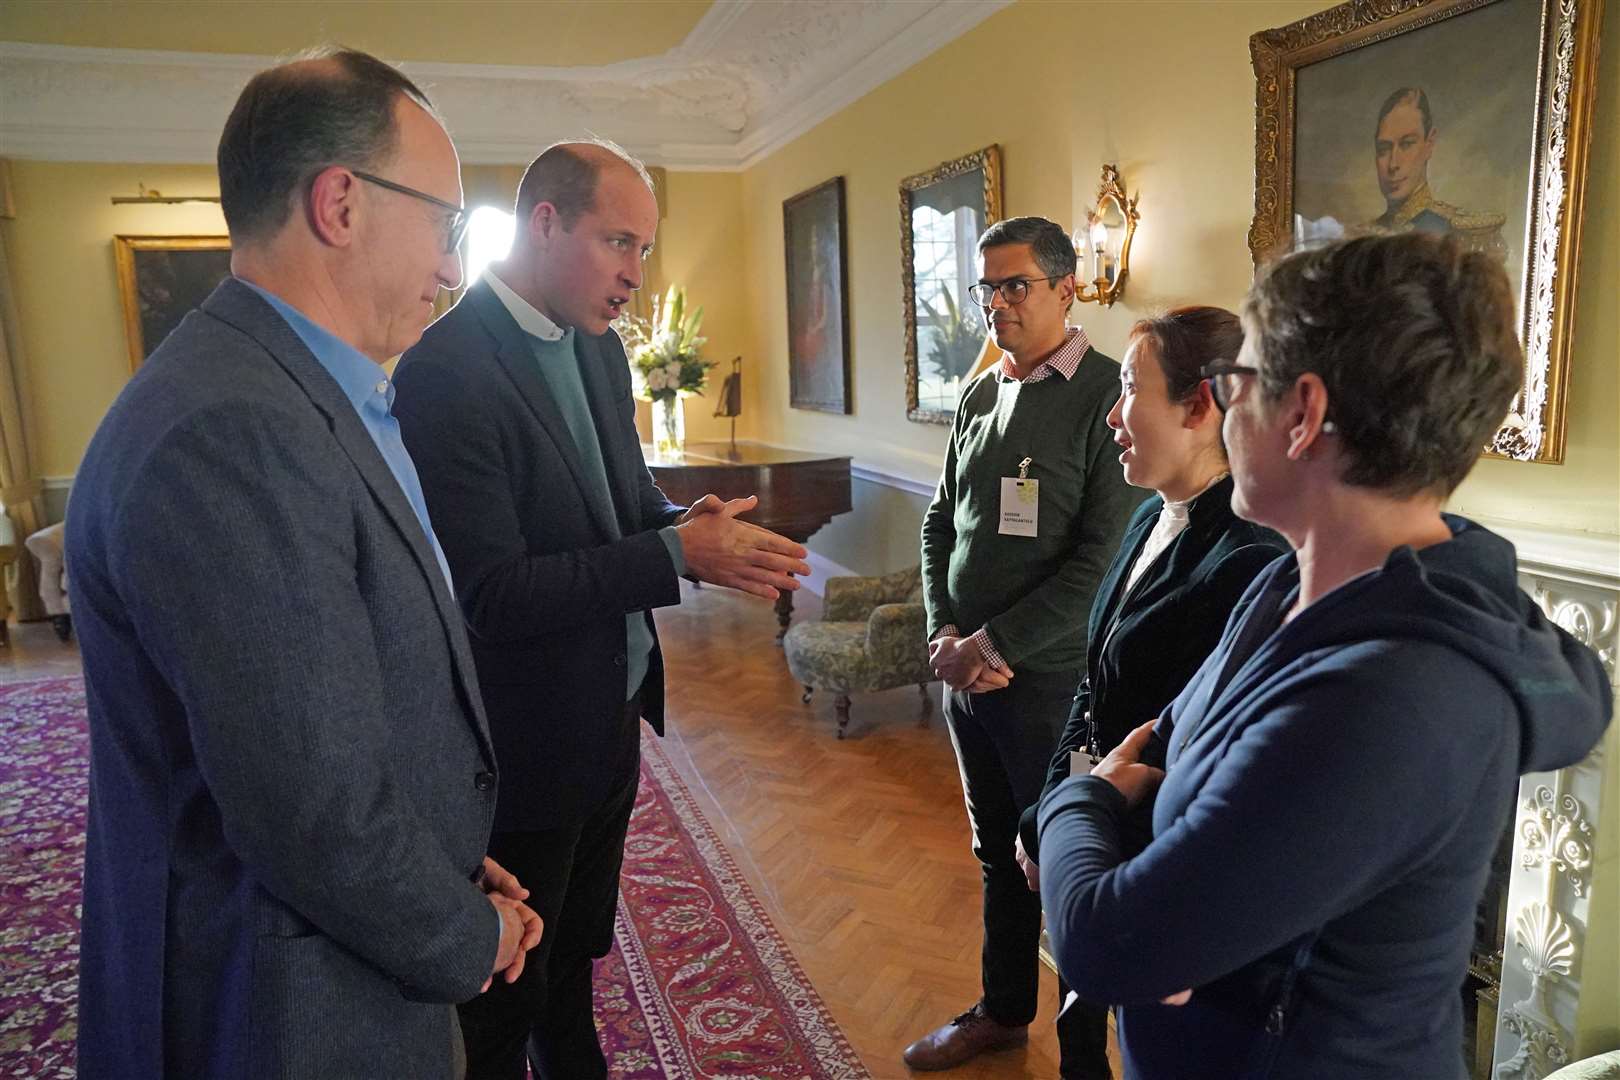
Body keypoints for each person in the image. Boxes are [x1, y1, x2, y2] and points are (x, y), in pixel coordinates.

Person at [67, 48, 542, 1079]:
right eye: (446, 226)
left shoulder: (288, 390)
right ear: (340, 203)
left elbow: (333, 703)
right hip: (283, 1004)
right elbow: (311, 814)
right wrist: (471, 937)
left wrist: (446, 862)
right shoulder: (236, 428)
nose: (456, 270)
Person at [1037, 233, 1611, 1079]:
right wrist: (1148, 850)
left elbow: (1106, 943)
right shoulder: (1284, 585)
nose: (1227, 412)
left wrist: (1076, 808)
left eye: (1239, 384)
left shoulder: (1389, 699)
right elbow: (1169, 749)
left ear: (1301, 415)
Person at [393, 140, 810, 1080]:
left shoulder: (599, 347)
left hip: (610, 718)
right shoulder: (447, 370)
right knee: (509, 988)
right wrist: (670, 554)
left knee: (577, 954)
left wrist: (688, 527)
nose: (635, 274)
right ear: (544, 222)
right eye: (618, 241)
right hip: (524, 740)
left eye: (645, 249)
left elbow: (622, 507)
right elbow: (491, 594)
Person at [1012, 307, 1288, 1068]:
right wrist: (1049, 812)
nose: (1111, 413)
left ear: (1199, 407)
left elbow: (1191, 763)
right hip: (1092, 825)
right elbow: (1092, 691)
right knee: (1077, 1034)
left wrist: (1081, 836)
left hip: (1144, 867)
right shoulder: (1145, 519)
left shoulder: (1246, 561)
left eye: (1130, 387)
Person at [910, 215, 1142, 1076]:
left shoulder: (1109, 397)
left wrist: (992, 642)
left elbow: (1101, 561)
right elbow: (941, 522)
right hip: (965, 674)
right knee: (994, 851)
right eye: (988, 287)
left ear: (1066, 289)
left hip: (1045, 680)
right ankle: (1004, 1011)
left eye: (1017, 285)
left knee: (1067, 864)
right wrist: (943, 631)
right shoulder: (981, 393)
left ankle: (1087, 1054)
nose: (997, 303)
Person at [1363, 87, 1504, 257]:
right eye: (1384, 149)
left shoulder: (1465, 233)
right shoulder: (1362, 239)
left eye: (1407, 144)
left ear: (1429, 143)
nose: (1393, 164)